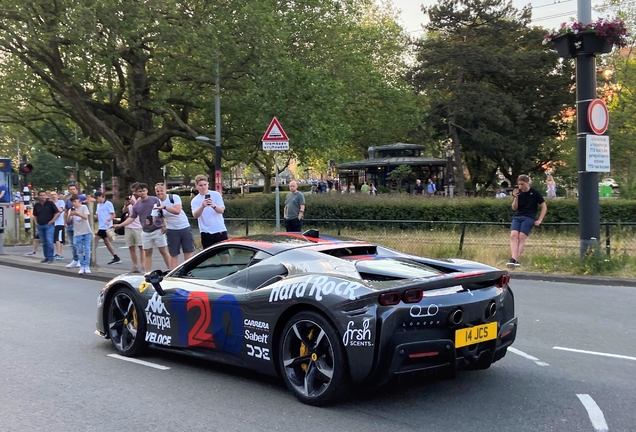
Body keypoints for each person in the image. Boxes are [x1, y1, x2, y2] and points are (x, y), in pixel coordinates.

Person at [114, 183, 170, 271]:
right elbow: (132, 217)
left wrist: (164, 225)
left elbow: (162, 213)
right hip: (146, 231)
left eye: (144, 191)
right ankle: (147, 272)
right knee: (147, 252)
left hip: (157, 229)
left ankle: (170, 269)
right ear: (136, 192)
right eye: (140, 191)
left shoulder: (155, 200)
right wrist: (120, 225)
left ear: (147, 191)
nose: (143, 193)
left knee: (163, 251)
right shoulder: (136, 205)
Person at [508, 174, 547, 268]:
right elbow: (514, 208)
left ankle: (516, 259)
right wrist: (515, 197)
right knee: (513, 235)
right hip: (518, 216)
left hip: (529, 217)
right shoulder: (518, 192)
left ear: (527, 183)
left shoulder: (535, 193)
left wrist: (539, 220)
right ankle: (513, 259)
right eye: (519, 184)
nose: (521, 186)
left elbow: (544, 206)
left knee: (521, 237)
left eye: (522, 184)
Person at [155, 182, 195, 270]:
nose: (159, 193)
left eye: (161, 190)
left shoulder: (174, 197)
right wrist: (162, 225)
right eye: (157, 191)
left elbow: (177, 211)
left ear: (165, 190)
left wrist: (164, 207)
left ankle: (188, 270)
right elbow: (159, 216)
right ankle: (173, 272)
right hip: (171, 229)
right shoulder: (157, 203)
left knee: (188, 251)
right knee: (173, 253)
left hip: (184, 226)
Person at [191, 174, 228, 249]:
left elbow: (221, 211)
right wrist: (202, 206)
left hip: (220, 229)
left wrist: (213, 206)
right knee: (209, 257)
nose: (203, 187)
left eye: (205, 184)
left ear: (208, 184)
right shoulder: (195, 200)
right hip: (206, 232)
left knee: (224, 256)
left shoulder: (216, 195)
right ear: (197, 186)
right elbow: (195, 215)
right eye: (201, 185)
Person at [32, 190, 61, 264]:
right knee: (44, 242)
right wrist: (36, 222)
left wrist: (52, 221)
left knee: (49, 241)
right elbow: (34, 215)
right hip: (40, 225)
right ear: (38, 196)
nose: (42, 197)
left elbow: (57, 213)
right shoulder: (37, 205)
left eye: (44, 195)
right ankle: (46, 257)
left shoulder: (50, 203)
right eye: (41, 195)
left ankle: (51, 257)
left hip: (49, 225)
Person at [93, 191, 122, 265]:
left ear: (101, 196)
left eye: (97, 198)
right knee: (107, 243)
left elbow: (113, 214)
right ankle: (116, 257)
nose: (97, 200)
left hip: (106, 226)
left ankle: (90, 254)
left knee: (96, 239)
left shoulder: (108, 204)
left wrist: (109, 220)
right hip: (101, 225)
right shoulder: (98, 205)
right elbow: (97, 215)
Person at [67, 193, 93, 274]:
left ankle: (87, 265)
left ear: (78, 200)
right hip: (78, 233)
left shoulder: (84, 207)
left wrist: (77, 214)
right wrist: (70, 215)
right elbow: (68, 221)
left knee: (87, 249)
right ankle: (82, 266)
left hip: (86, 231)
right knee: (80, 250)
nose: (74, 203)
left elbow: (86, 217)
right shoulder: (71, 210)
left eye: (75, 201)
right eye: (73, 202)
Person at [122, 194, 144, 273]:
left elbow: (141, 210)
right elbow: (124, 211)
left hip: (138, 226)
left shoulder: (140, 200)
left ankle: (143, 265)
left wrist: (134, 203)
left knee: (141, 247)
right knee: (131, 247)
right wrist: (126, 205)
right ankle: (135, 266)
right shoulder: (130, 199)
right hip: (128, 227)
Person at [64, 183, 84, 268]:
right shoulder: (68, 200)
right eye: (70, 189)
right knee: (72, 244)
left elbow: (91, 201)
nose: (72, 191)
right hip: (70, 223)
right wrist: (65, 221)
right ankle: (75, 259)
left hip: (78, 224)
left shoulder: (81, 197)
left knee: (78, 243)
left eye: (73, 189)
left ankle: (80, 260)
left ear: (77, 190)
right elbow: (65, 211)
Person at [49, 191, 66, 260]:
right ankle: (58, 253)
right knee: (56, 239)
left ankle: (59, 253)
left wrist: (53, 204)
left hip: (59, 223)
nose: (53, 196)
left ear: (57, 196)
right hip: (53, 223)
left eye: (54, 194)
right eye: (52, 195)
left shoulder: (61, 202)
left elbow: (60, 210)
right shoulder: (49, 204)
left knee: (58, 239)